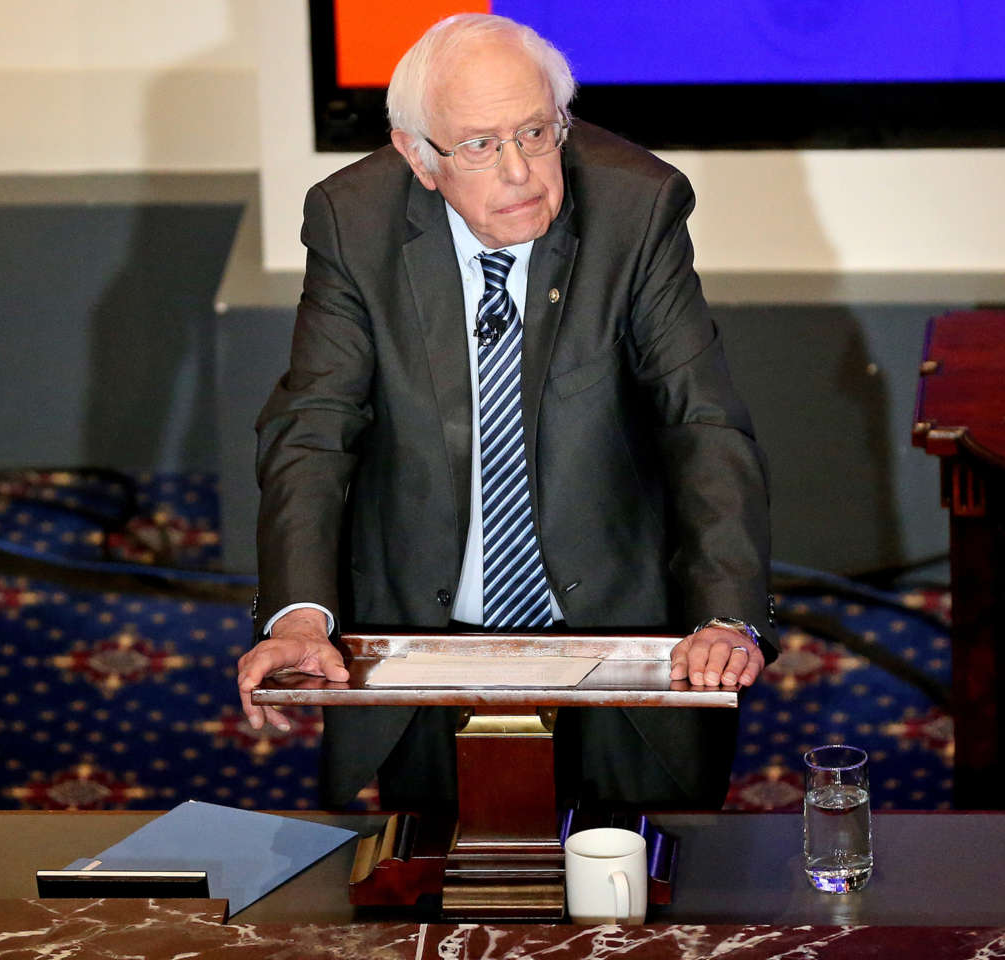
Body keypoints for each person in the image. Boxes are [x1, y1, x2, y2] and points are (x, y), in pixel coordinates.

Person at [237, 13, 775, 813]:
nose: (521, 172)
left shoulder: (638, 207)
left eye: (535, 131)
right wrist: (301, 616)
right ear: (419, 157)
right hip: (422, 629)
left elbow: (700, 423)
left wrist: (725, 615)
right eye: (481, 145)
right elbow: (314, 428)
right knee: (431, 899)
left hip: (616, 625)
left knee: (644, 901)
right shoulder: (353, 221)